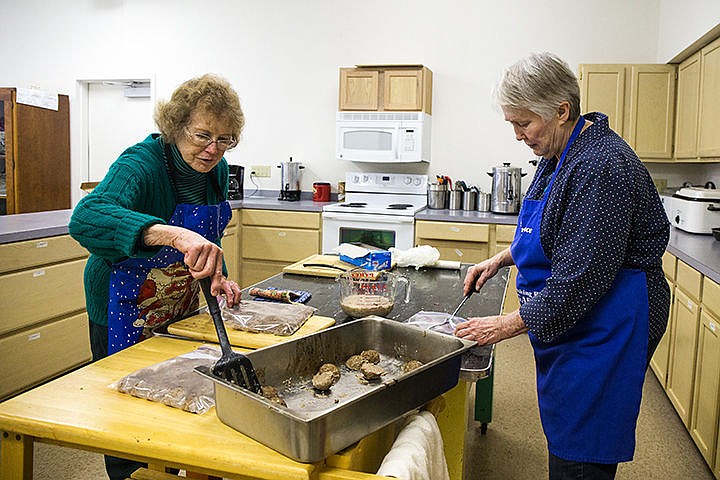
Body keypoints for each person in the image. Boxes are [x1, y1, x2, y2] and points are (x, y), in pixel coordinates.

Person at [455, 52, 670, 480]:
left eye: (523, 124)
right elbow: (553, 229)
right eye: (512, 124)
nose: (518, 136)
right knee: (567, 421)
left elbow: (580, 280)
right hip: (579, 316)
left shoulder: (600, 166)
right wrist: (502, 258)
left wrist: (500, 327)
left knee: (583, 441)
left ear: (561, 111)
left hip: (608, 320)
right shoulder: (559, 153)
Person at [68, 73, 244, 479]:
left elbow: (210, 235)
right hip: (121, 305)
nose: (213, 149)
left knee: (175, 396)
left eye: (225, 139)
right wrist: (171, 233)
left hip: (175, 301)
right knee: (130, 412)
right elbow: (87, 217)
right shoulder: (141, 164)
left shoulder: (216, 169)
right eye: (203, 135)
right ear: (176, 126)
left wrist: (218, 275)